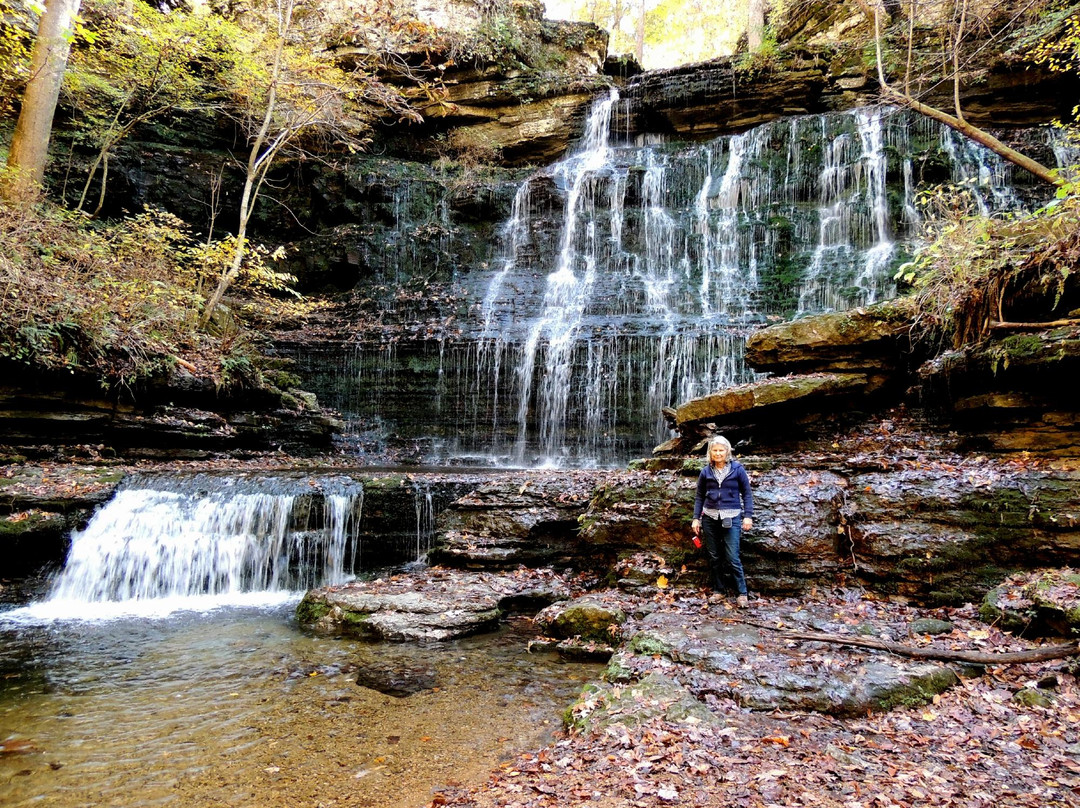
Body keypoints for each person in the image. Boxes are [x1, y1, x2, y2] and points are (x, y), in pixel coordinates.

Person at [691, 435, 753, 607]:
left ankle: (742, 593)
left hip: (731, 517)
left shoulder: (738, 470)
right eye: (715, 450)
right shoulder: (705, 472)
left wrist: (748, 515)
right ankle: (719, 591)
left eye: (721, 450)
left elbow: (747, 494)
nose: (718, 453)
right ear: (710, 453)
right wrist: (696, 519)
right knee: (714, 556)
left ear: (727, 452)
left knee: (732, 556)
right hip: (709, 518)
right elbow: (699, 497)